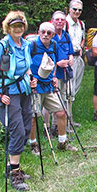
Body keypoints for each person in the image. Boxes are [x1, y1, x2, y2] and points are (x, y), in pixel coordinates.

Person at [0, 11, 37, 191]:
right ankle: (15, 175)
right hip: (9, 94)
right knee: (16, 130)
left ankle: (12, 168)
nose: (18, 29)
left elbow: (26, 68)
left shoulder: (25, 45)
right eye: (14, 26)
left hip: (24, 91)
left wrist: (32, 79)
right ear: (8, 27)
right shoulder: (3, 46)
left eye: (20, 26)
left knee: (26, 129)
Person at [28, 22, 77, 152]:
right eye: (42, 32)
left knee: (61, 112)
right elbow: (25, 65)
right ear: (38, 32)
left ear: (53, 35)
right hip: (35, 86)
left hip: (49, 86)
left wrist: (54, 76)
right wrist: (30, 79)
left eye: (48, 33)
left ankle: (63, 143)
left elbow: (53, 63)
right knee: (33, 117)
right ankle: (33, 145)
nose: (45, 35)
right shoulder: (31, 45)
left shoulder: (54, 45)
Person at [51, 11, 78, 130]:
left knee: (66, 96)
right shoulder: (49, 36)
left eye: (62, 20)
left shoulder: (66, 36)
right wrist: (57, 63)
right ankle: (53, 126)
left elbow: (70, 52)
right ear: (52, 21)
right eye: (57, 20)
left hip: (66, 72)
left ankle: (66, 123)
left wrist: (70, 59)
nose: (60, 22)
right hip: (54, 74)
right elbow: (44, 57)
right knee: (54, 99)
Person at [65, 0, 86, 97]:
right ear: (69, 9)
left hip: (78, 58)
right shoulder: (63, 23)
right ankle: (63, 111)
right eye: (74, 9)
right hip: (68, 58)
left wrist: (81, 47)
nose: (77, 12)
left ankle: (69, 110)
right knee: (67, 87)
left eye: (79, 10)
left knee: (75, 85)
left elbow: (83, 38)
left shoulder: (81, 24)